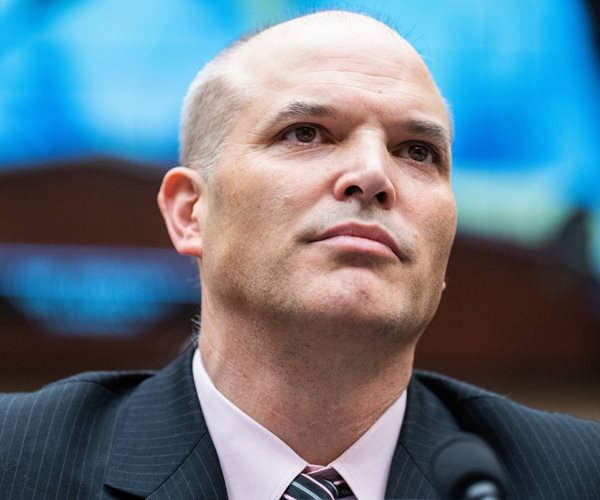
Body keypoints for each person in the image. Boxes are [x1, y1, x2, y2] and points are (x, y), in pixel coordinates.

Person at [0, 10, 599, 500]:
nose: (373, 175)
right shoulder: (18, 464)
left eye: (417, 151)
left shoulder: (577, 478)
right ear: (190, 211)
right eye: (307, 133)